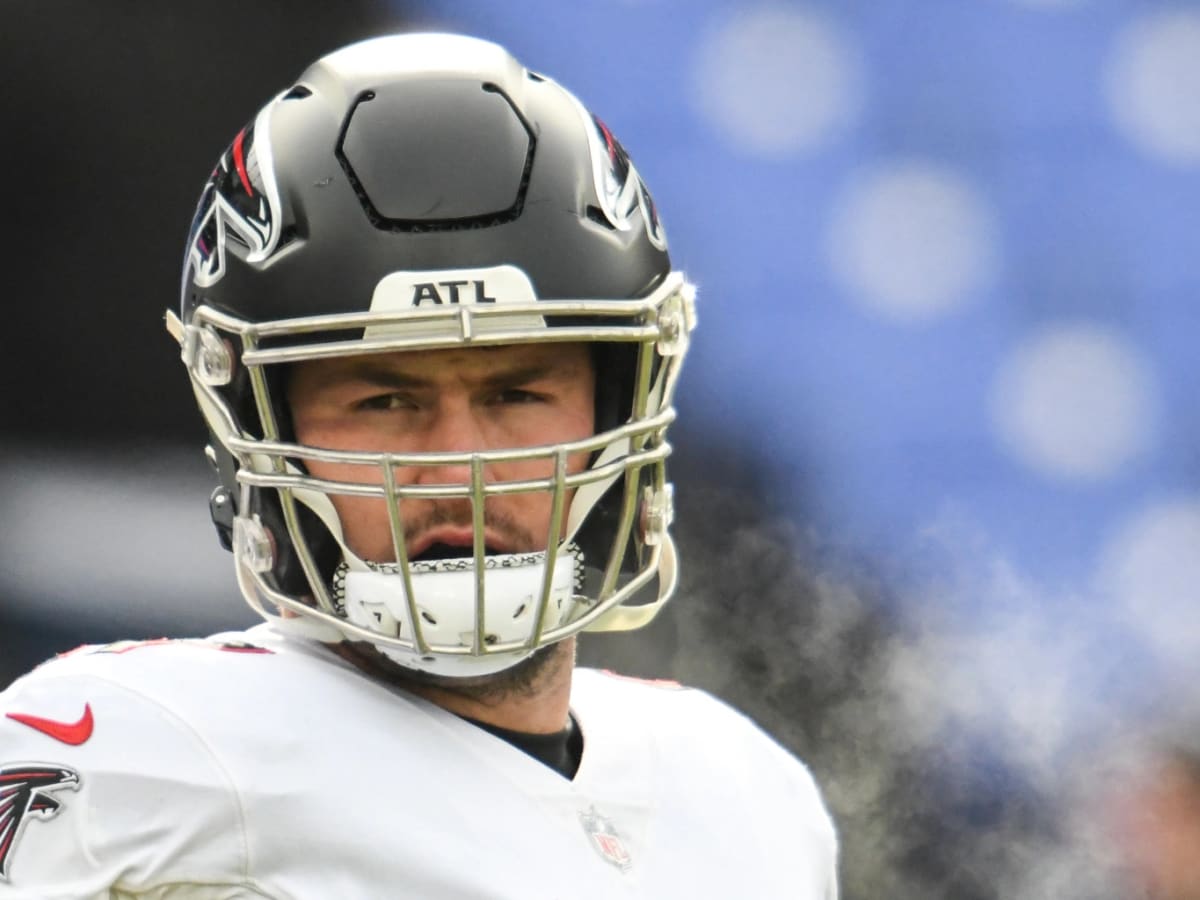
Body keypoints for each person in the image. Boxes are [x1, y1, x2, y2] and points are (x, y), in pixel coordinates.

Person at [0, 33, 838, 898]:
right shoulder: (146, 749)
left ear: (616, 411)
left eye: (516, 394)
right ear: (259, 422)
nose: (457, 465)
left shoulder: (746, 793)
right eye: (384, 402)